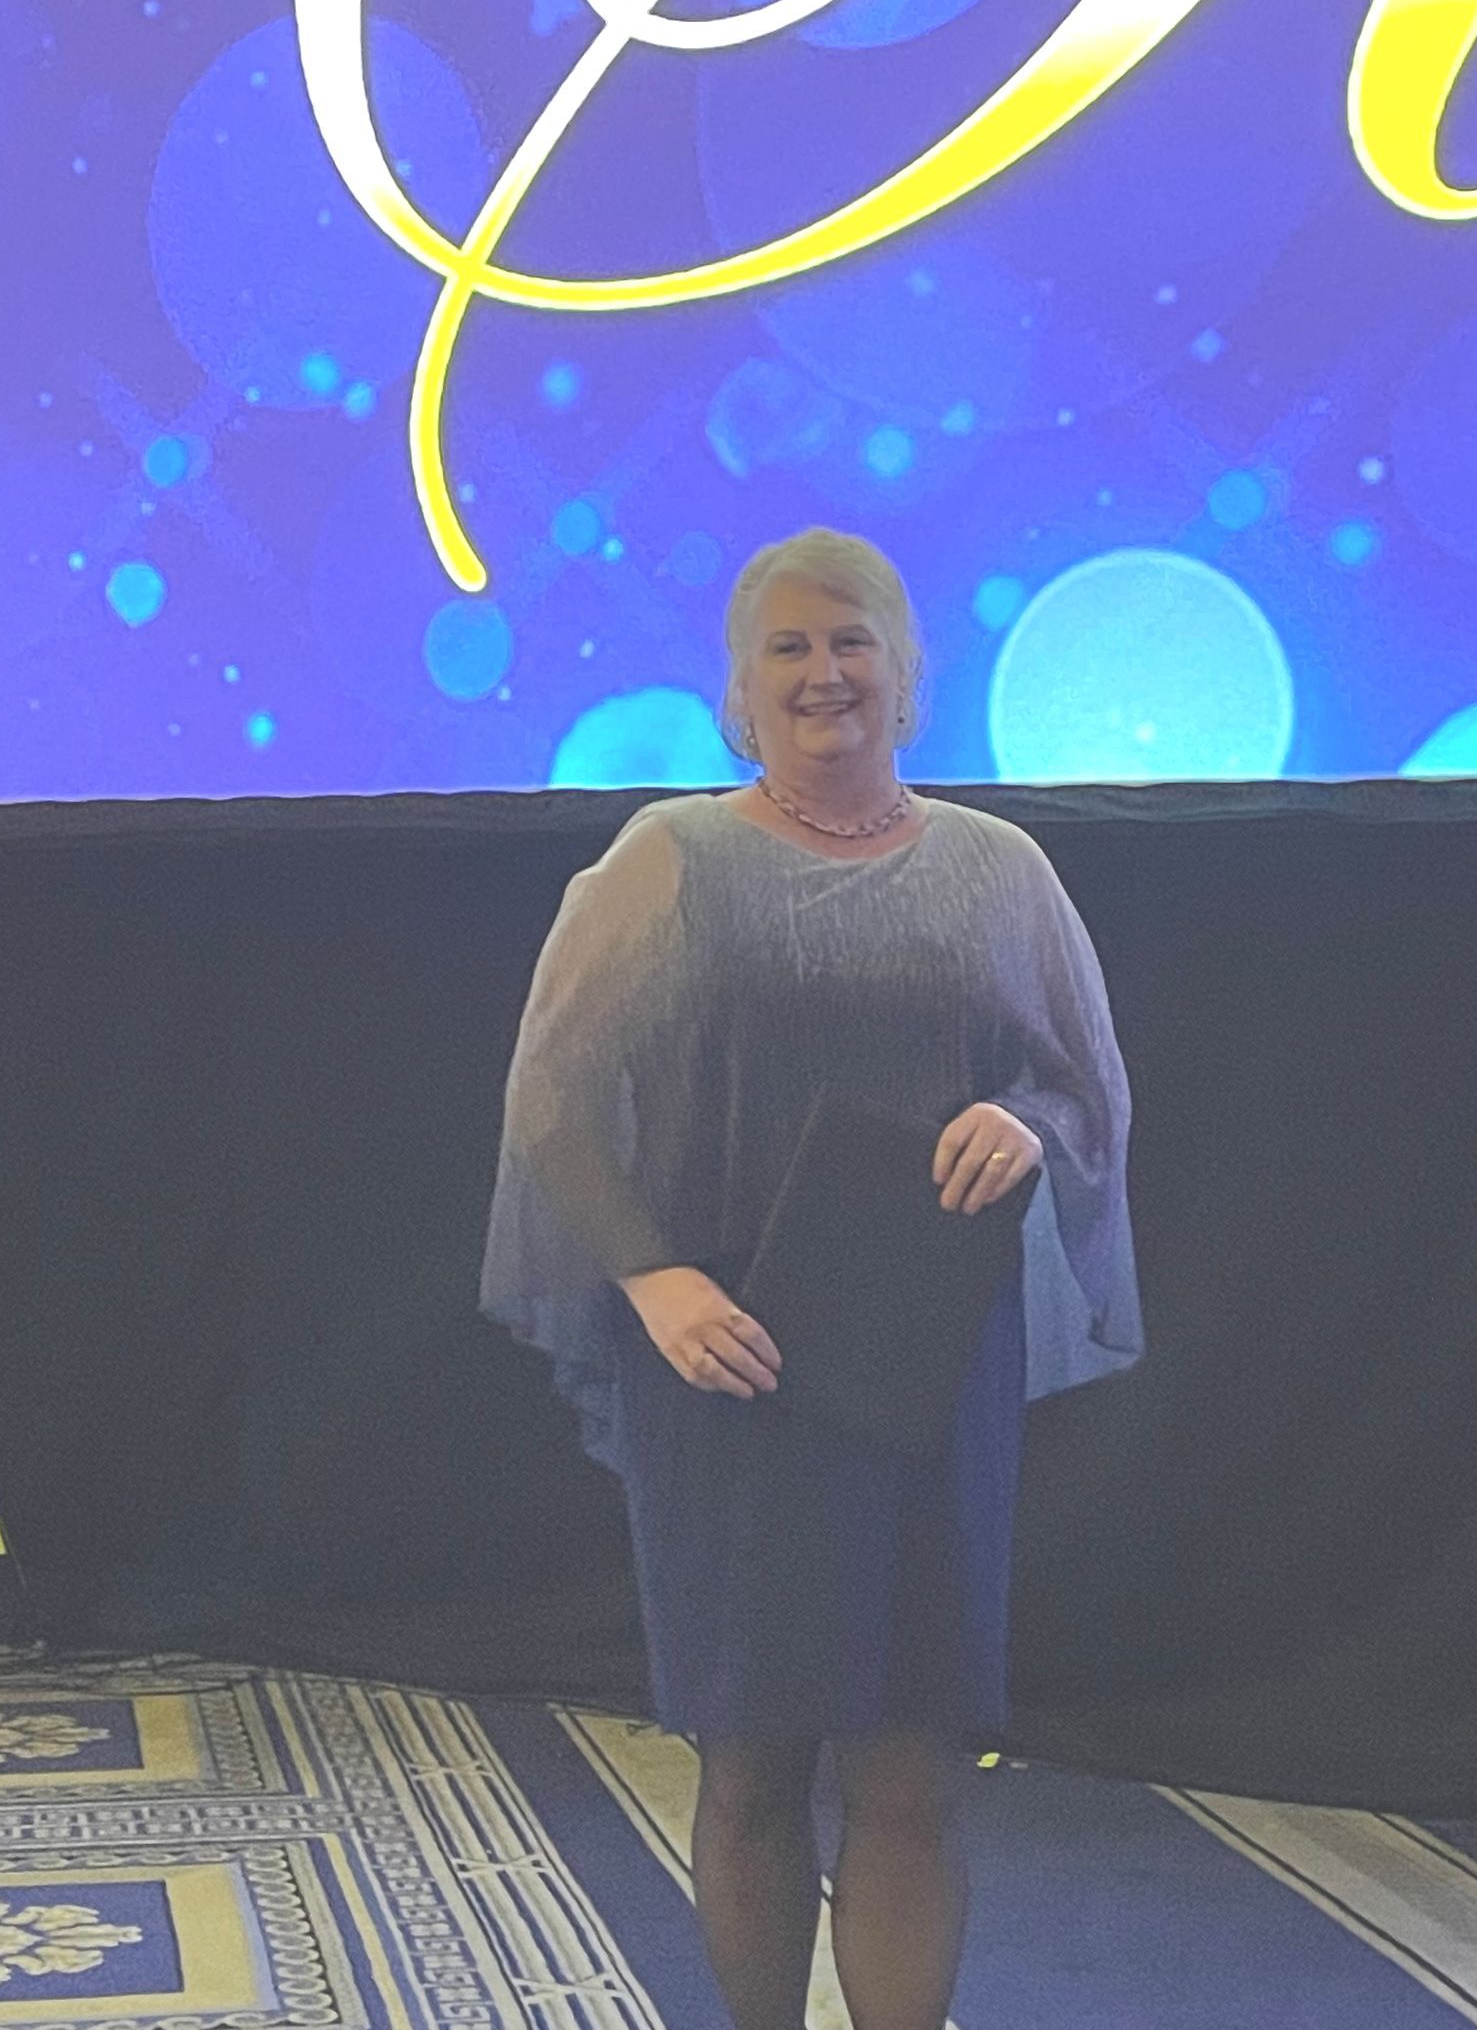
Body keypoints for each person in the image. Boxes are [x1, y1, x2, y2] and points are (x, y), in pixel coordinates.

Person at [480, 526, 1142, 2030]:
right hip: (728, 1364)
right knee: (757, 1760)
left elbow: (1082, 1092)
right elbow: (552, 1107)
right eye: (787, 647)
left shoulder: (999, 872)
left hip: (923, 1368)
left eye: (852, 641)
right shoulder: (672, 857)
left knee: (913, 1768)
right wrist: (651, 1283)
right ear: (739, 687)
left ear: (907, 674)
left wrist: (1020, 1124)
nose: (823, 672)